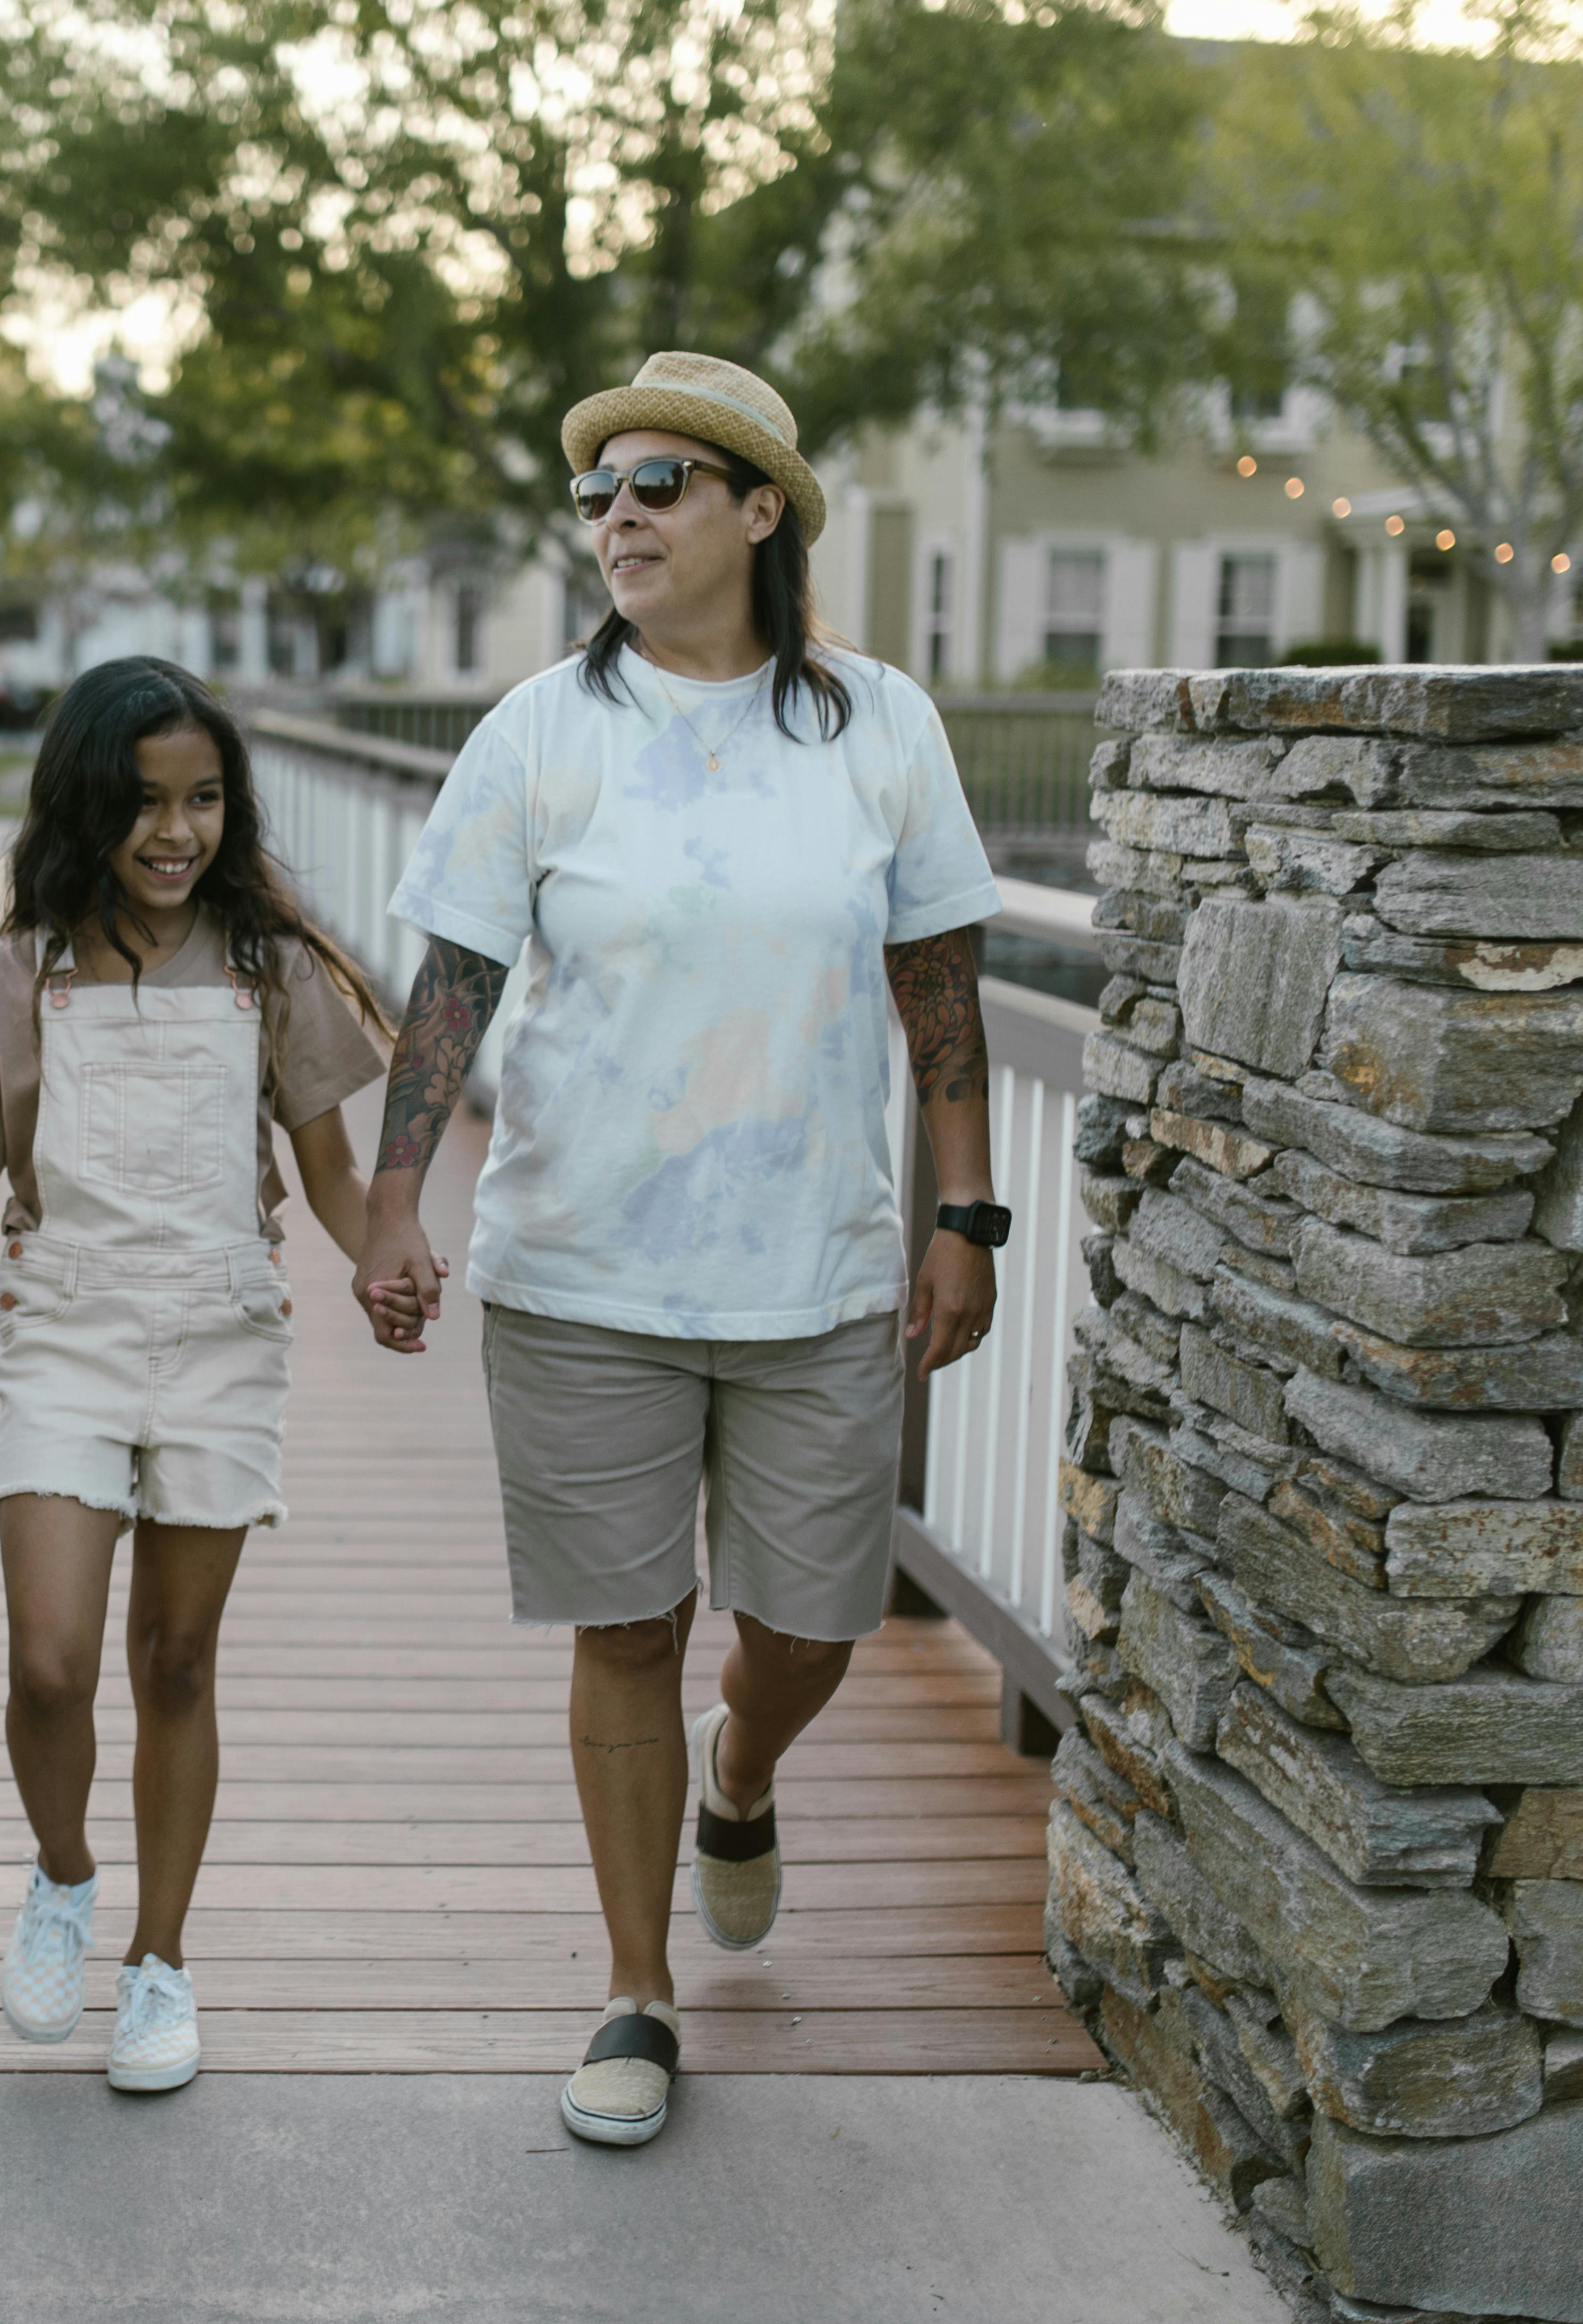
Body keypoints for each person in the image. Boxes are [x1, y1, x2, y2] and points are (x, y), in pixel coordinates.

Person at [354, 353, 1006, 2149]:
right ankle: (635, 1992)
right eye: (598, 494)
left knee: (805, 1624)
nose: (617, 517)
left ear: (757, 511)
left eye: (655, 484)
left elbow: (934, 981)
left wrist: (967, 1210)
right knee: (624, 1622)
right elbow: (453, 982)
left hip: (816, 1267)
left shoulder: (877, 725)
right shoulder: (540, 730)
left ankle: (745, 1770)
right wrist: (392, 1195)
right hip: (580, 1266)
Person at [0, 657, 386, 2092]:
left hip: (218, 1334)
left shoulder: (271, 972)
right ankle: (63, 1876)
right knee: (51, 1661)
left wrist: (387, 1259)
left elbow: (330, 1175)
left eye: (201, 801)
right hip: (62, 1327)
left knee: (176, 1662)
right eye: (139, 805)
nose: (173, 832)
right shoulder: (15, 980)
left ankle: (160, 1961)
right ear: (80, 809)